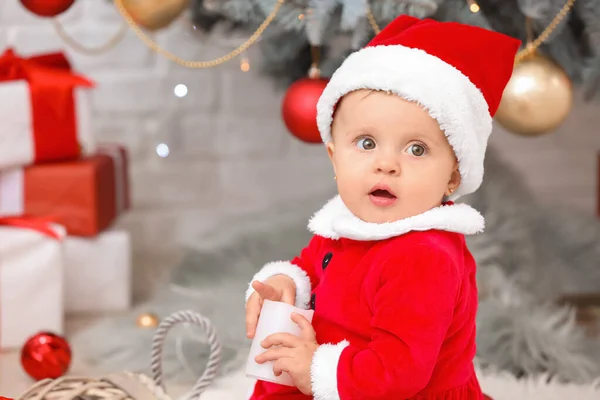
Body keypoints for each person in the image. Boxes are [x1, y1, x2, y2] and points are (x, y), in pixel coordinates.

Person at [244, 14, 520, 400]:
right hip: (339, 380)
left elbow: (401, 372)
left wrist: (315, 369)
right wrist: (286, 285)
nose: (386, 164)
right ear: (334, 157)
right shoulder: (347, 226)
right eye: (367, 143)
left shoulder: (424, 257)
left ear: (453, 178)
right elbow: (310, 267)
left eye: (416, 149)